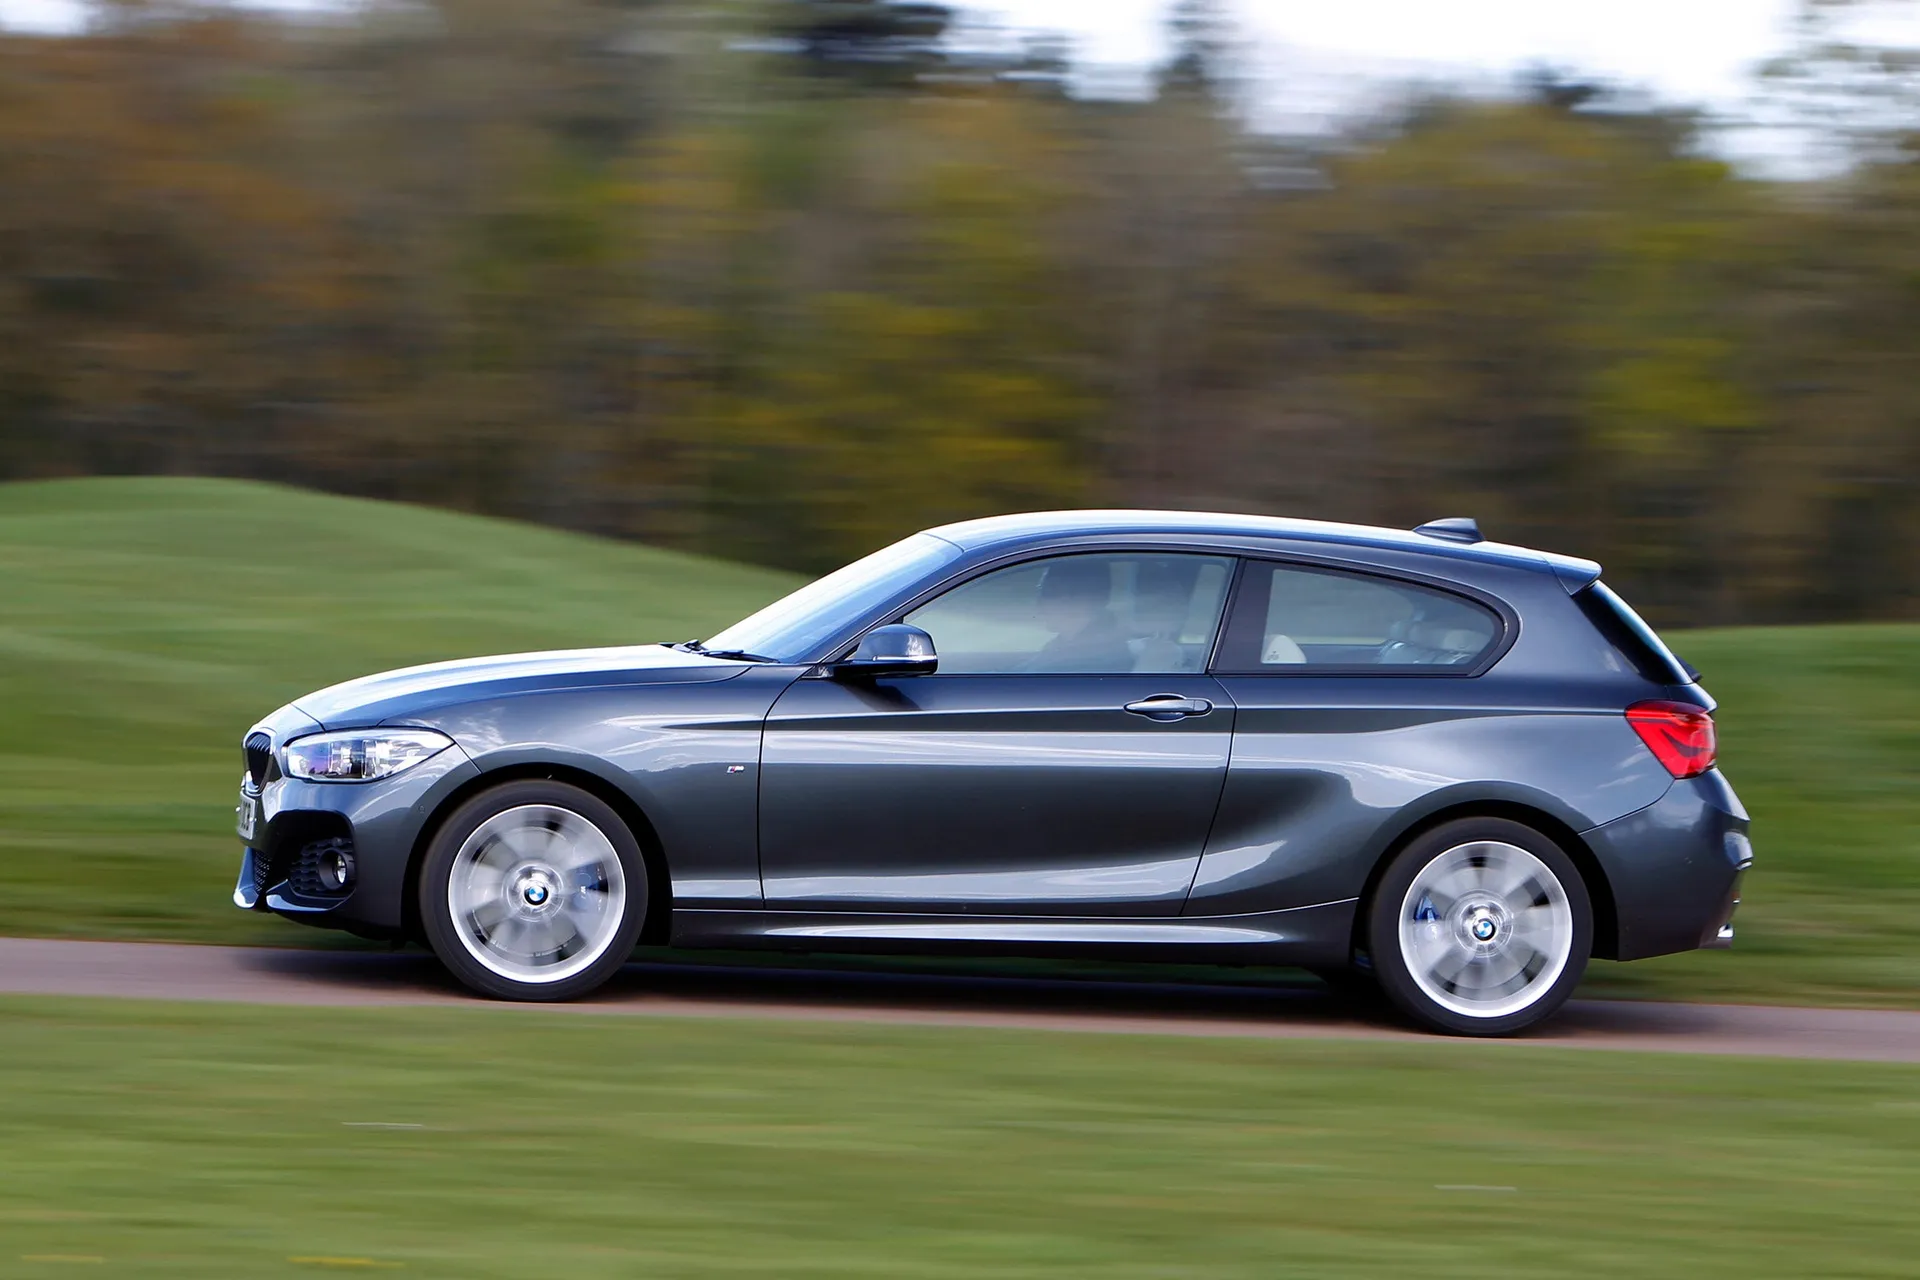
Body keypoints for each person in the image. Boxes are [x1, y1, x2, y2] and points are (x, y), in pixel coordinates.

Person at [1029, 559, 1134, 672]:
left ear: (1076, 600)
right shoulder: (1064, 646)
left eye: (1047, 592)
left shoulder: (1087, 661)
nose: (1038, 605)